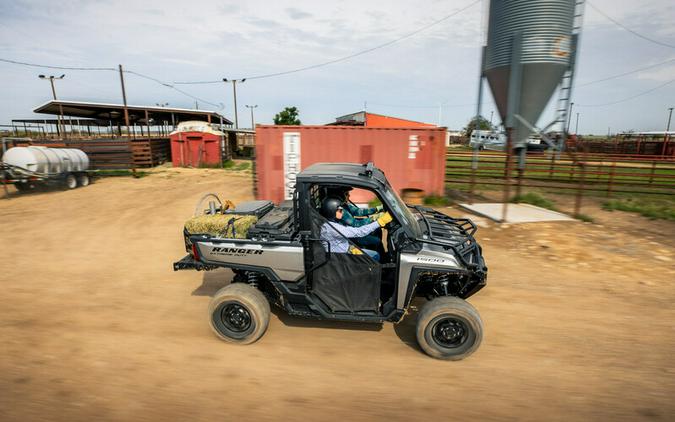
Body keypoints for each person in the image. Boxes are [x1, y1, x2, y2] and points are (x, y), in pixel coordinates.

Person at [319, 197, 392, 262]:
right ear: (331, 211)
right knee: (376, 255)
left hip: (346, 250)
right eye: (340, 210)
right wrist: (380, 221)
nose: (342, 211)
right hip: (343, 256)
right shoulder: (332, 228)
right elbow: (360, 232)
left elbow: (354, 221)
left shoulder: (331, 224)